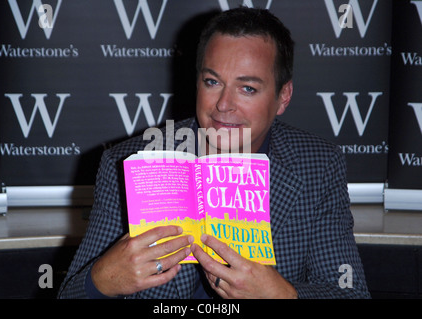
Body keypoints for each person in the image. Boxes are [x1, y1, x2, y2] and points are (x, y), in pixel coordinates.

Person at [58, 7, 370, 299]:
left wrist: (284, 295)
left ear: (283, 96)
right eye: (212, 82)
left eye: (247, 88)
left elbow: (349, 290)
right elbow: (69, 292)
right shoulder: (127, 162)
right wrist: (100, 281)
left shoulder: (319, 165)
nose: (223, 104)